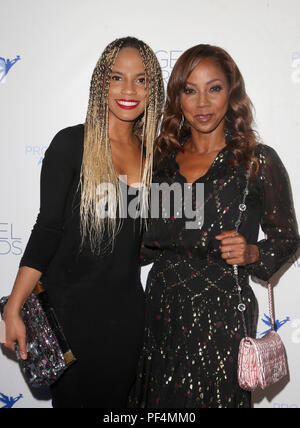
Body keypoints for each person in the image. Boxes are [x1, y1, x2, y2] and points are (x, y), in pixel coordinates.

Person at [129, 44, 299, 408]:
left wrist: (253, 252)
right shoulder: (160, 161)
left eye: (214, 88)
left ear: (231, 93)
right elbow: (139, 244)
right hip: (162, 310)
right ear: (178, 97)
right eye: (190, 90)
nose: (203, 103)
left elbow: (287, 238)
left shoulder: (257, 161)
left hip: (222, 315)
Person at [2, 36, 164, 408]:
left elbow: (138, 241)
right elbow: (47, 229)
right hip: (70, 318)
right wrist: (14, 306)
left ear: (152, 88)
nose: (129, 90)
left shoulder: (152, 157)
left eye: (141, 80)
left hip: (126, 319)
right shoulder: (70, 144)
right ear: (100, 84)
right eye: (116, 77)